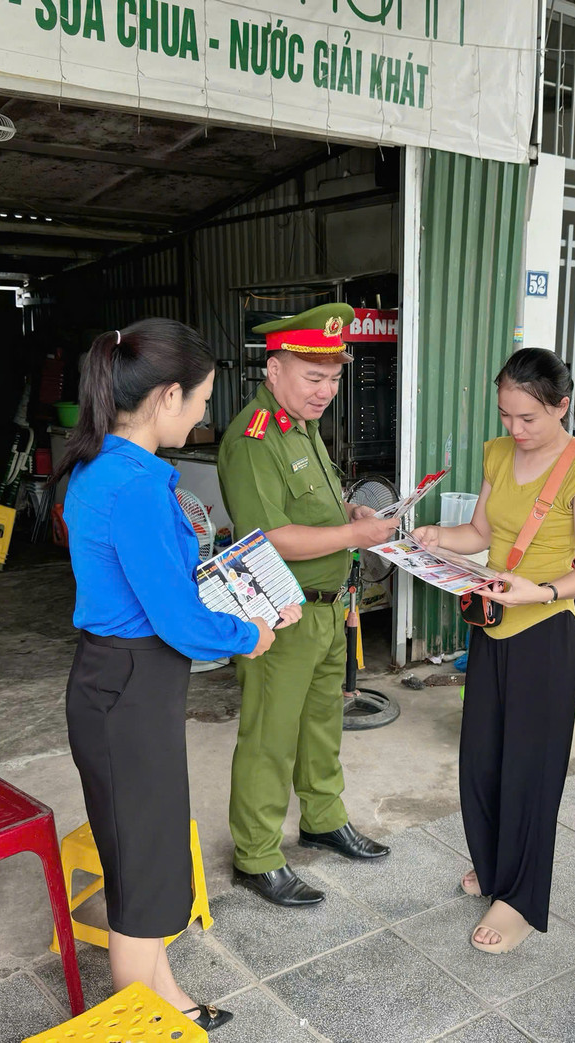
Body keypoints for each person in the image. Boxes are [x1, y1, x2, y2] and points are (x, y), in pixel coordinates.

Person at [55, 318, 301, 1032]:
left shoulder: (104, 468)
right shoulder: (133, 487)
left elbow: (156, 587)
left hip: (121, 685)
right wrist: (249, 630)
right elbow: (178, 620)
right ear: (166, 396)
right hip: (129, 688)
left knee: (148, 855)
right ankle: (145, 1017)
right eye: (199, 400)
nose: (203, 414)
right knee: (143, 876)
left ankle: (170, 997)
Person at [414, 348, 575, 954]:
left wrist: (540, 590)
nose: (515, 430)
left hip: (542, 631)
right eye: (506, 415)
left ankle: (521, 899)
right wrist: (429, 538)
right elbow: (481, 534)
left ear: (561, 407)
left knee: (531, 770)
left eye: (528, 418)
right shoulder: (498, 454)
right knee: (483, 761)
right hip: (491, 623)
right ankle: (498, 869)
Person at [218, 303, 399, 908]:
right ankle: (257, 855)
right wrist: (354, 538)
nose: (326, 391)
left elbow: (313, 510)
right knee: (270, 734)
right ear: (274, 370)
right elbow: (268, 537)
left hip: (328, 607)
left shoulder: (300, 427)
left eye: (335, 378)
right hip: (282, 611)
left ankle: (323, 818)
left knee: (323, 725)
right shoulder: (254, 440)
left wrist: (351, 514)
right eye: (313, 377)